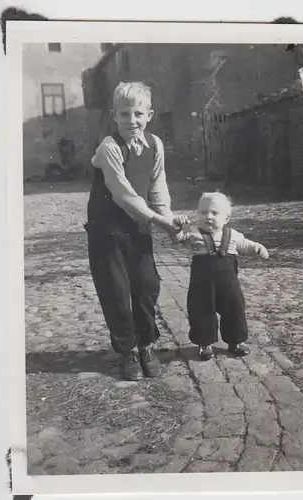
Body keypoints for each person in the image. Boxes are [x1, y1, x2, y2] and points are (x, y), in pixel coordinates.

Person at [85, 81, 180, 381]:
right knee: (116, 290)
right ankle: (127, 351)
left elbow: (157, 185)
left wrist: (170, 221)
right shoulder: (109, 148)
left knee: (146, 286)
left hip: (138, 228)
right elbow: (123, 193)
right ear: (114, 115)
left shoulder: (155, 145)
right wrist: (160, 221)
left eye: (138, 113)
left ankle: (147, 345)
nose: (132, 121)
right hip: (107, 231)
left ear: (149, 115)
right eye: (124, 114)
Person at [174, 191, 269, 360]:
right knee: (201, 312)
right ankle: (204, 343)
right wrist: (179, 223)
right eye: (203, 212)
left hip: (228, 284)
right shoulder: (193, 232)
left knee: (235, 309)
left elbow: (245, 245)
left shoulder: (233, 235)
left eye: (214, 213)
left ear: (226, 218)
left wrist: (257, 248)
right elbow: (178, 237)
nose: (208, 217)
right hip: (202, 285)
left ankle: (235, 341)